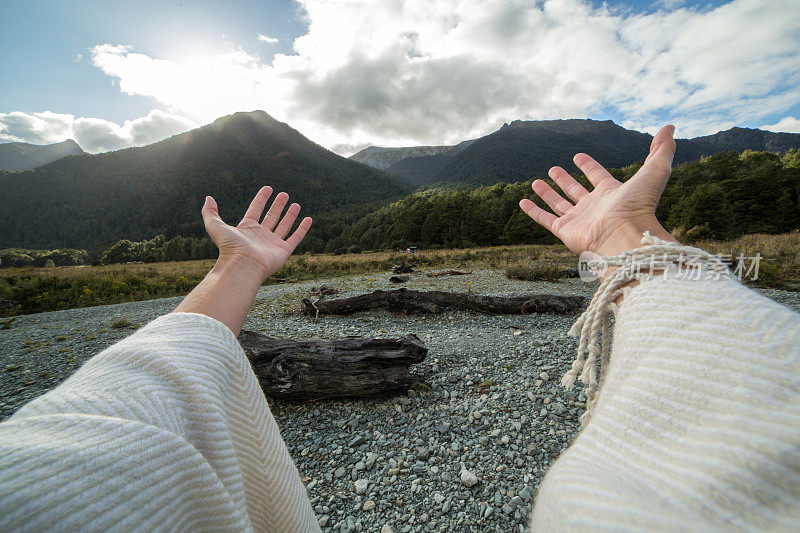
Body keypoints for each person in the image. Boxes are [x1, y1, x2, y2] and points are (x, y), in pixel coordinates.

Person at [0, 125, 797, 532]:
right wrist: (629, 243)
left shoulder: (38, 475)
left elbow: (129, 408)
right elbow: (750, 399)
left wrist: (233, 272)